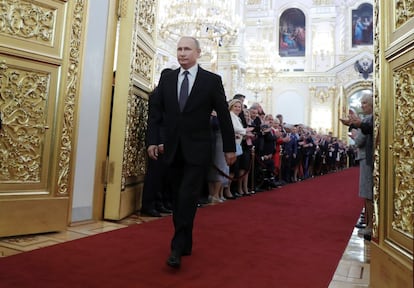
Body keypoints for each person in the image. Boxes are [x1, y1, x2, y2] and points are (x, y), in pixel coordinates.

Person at [146, 36, 236, 269]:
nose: (182, 53)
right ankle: (185, 240)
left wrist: (229, 148)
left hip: (198, 150)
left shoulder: (211, 80)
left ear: (198, 52)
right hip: (172, 149)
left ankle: (176, 246)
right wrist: (153, 142)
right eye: (179, 49)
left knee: (187, 195)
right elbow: (156, 115)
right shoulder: (167, 80)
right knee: (178, 197)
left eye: (187, 49)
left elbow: (224, 116)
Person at [340, 94, 374, 240]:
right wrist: (354, 125)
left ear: (372, 104)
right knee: (367, 192)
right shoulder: (369, 119)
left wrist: (354, 134)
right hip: (367, 157)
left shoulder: (369, 119)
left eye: (365, 103)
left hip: (367, 157)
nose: (362, 106)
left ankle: (370, 225)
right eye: (361, 103)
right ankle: (368, 222)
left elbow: (360, 141)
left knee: (367, 192)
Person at [141, 68, 173, 217]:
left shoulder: (170, 96)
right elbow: (156, 122)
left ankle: (160, 202)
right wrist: (159, 142)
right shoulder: (156, 96)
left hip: (168, 141)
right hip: (158, 141)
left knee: (165, 175)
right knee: (154, 175)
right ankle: (148, 205)